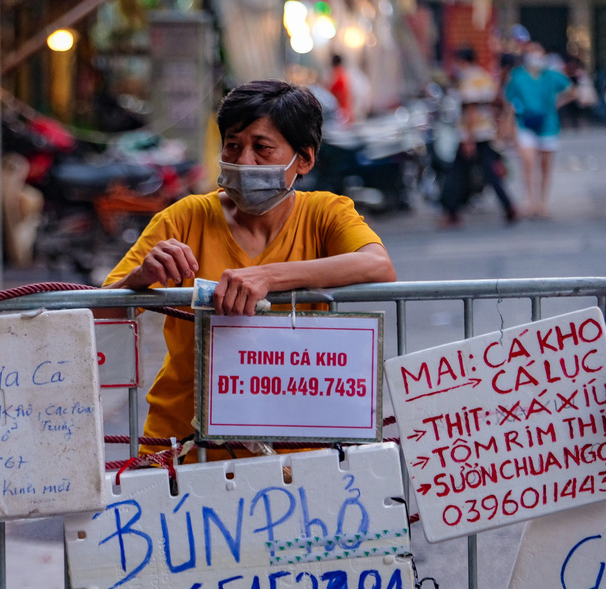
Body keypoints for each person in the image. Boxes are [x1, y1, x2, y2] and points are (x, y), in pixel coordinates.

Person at [103, 79, 396, 460]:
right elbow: (100, 311)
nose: (244, 162)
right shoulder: (185, 217)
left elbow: (377, 265)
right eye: (233, 146)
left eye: (262, 148)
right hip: (183, 450)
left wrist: (268, 277)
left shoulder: (326, 212)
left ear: (303, 159)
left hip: (300, 453)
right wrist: (140, 278)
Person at [439, 47, 517, 227]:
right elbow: (497, 104)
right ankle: (508, 207)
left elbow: (471, 110)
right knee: (489, 173)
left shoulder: (468, 80)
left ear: (462, 61)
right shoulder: (484, 77)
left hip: (472, 134)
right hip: (486, 131)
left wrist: (469, 138)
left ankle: (452, 212)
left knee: (457, 174)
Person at [504, 41, 574, 219]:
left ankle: (542, 202)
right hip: (525, 123)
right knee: (528, 161)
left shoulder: (551, 75)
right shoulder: (518, 76)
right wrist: (507, 126)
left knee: (545, 165)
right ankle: (530, 200)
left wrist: (556, 102)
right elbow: (509, 102)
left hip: (548, 124)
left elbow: (572, 91)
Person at [328, 54, 354, 124]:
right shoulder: (343, 72)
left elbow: (332, 91)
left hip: (341, 110)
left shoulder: (337, 74)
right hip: (345, 108)